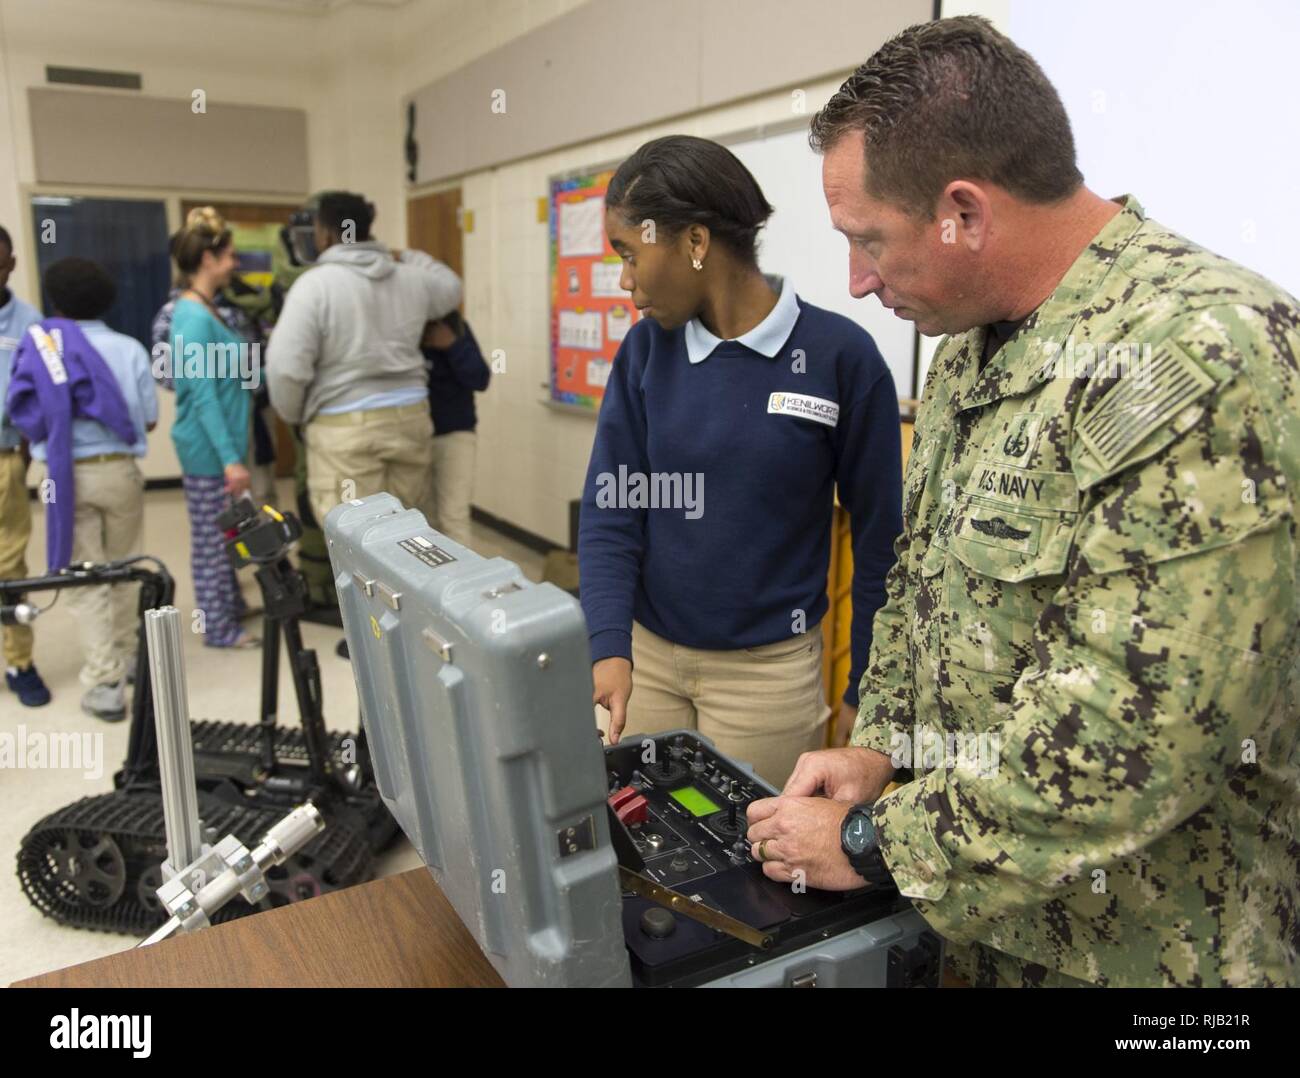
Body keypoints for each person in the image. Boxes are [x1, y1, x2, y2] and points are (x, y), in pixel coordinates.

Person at [744, 16, 1300, 988]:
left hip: (1149, 959)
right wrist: (882, 746)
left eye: (869, 241)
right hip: (980, 924)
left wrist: (871, 842)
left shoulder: (1201, 357)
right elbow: (920, 581)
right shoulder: (968, 352)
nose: (857, 282)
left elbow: (1133, 740)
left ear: (962, 212)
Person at [578, 135, 902, 786]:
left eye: (630, 255)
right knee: (637, 836)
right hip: (647, 663)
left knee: (755, 847)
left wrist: (865, 688)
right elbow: (611, 512)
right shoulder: (645, 353)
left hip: (768, 681)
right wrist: (608, 645)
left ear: (695, 243)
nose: (626, 280)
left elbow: (881, 544)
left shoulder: (842, 359)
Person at [5, 257, 156, 721]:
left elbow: (26, 416)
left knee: (85, 581)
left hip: (67, 478)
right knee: (126, 569)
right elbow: (148, 418)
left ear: (55, 302)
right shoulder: (129, 349)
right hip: (121, 474)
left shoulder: (42, 347)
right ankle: (131, 658)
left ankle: (105, 682)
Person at [265, 191, 462, 527]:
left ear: (326, 234)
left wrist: (296, 415)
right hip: (410, 420)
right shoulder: (411, 278)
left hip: (343, 428)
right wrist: (405, 255)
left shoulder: (315, 285)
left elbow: (285, 367)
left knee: (355, 539)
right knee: (405, 536)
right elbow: (452, 287)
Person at [167, 207, 256, 650]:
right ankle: (216, 628)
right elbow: (203, 396)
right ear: (208, 258)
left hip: (220, 446)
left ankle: (227, 610)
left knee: (226, 535)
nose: (235, 263)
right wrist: (230, 461)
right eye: (230, 255)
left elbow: (227, 378)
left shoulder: (207, 310)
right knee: (212, 543)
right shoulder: (194, 317)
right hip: (209, 451)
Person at [0, 224, 50, 707]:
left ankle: (20, 663)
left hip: (4, 458)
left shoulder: (30, 323)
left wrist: (27, 443)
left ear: (12, 264)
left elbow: (42, 390)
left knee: (9, 565)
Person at [420, 312, 489, 546]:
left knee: (453, 517)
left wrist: (452, 345)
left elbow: (480, 379)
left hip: (455, 434)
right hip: (413, 435)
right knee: (421, 518)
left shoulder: (454, 326)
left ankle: (461, 570)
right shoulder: (403, 327)